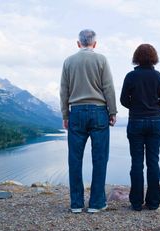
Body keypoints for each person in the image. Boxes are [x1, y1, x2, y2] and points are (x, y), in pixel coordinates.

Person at [60, 29, 117, 213]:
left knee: (74, 159)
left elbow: (64, 91)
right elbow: (108, 87)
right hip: (99, 112)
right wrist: (113, 111)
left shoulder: (68, 61)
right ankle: (96, 203)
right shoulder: (101, 59)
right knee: (100, 158)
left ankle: (76, 204)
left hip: (76, 112)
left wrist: (65, 115)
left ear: (78, 43)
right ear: (95, 44)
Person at [120, 44, 160, 211]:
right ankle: (153, 203)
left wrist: (136, 105)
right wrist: (152, 106)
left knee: (137, 163)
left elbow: (123, 100)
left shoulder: (131, 76)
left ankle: (136, 203)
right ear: (154, 57)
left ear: (136, 57)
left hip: (136, 121)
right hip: (155, 121)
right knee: (153, 162)